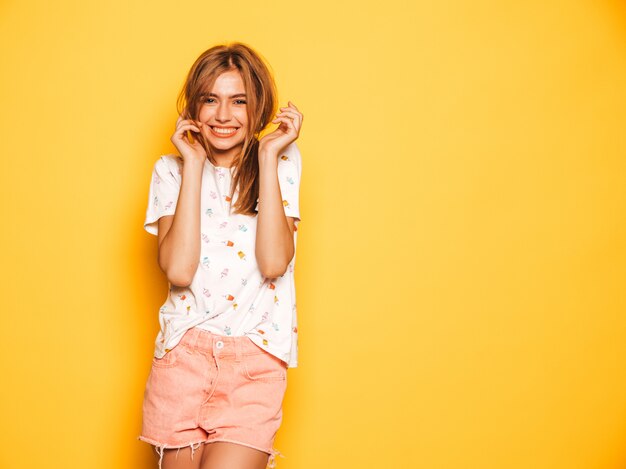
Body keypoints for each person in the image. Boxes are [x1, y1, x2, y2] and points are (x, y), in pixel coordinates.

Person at [137, 42, 303, 469]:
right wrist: (193, 164)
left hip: (254, 360)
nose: (223, 115)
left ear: (258, 106)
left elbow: (273, 263)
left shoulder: (281, 162)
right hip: (183, 358)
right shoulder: (170, 170)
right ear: (194, 105)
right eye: (211, 99)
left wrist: (267, 156)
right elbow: (178, 270)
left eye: (239, 101)